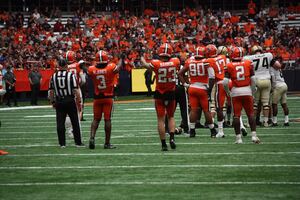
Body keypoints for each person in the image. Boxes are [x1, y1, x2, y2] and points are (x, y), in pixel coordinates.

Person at [141, 43, 180, 151]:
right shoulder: (175, 61)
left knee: (160, 119)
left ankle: (163, 144)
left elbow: (146, 66)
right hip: (171, 92)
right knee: (171, 117)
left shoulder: (156, 63)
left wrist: (142, 58)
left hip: (160, 93)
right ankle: (172, 138)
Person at [178, 46, 217, 138]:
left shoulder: (189, 62)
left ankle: (192, 130)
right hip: (202, 88)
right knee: (206, 110)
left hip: (192, 88)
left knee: (193, 110)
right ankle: (212, 130)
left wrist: (185, 84)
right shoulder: (207, 62)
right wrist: (209, 89)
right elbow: (212, 77)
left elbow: (179, 73)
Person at [223, 47, 260, 144]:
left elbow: (225, 82)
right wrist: (252, 91)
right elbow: (253, 79)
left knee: (236, 115)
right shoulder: (248, 63)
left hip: (236, 92)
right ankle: (254, 136)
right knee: (250, 114)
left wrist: (227, 92)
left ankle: (238, 138)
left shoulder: (229, 65)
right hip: (247, 90)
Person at [88, 50, 122, 149]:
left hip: (97, 97)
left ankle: (92, 137)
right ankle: (107, 143)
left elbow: (88, 70)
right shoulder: (110, 67)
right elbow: (118, 68)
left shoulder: (92, 69)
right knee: (107, 120)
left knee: (95, 119)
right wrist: (121, 60)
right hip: (108, 97)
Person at [48, 59, 84, 148]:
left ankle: (62, 143)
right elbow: (75, 90)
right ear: (66, 66)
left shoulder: (53, 76)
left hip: (59, 101)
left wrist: (52, 101)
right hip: (70, 100)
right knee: (75, 122)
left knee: (60, 123)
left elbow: (51, 91)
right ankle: (78, 142)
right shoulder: (70, 75)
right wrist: (79, 101)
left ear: (59, 66)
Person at [243, 45, 274, 127]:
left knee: (255, 104)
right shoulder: (268, 55)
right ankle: (266, 122)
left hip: (256, 80)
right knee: (266, 103)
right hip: (267, 80)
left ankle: (251, 122)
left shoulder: (248, 58)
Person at [205, 44, 228, 138]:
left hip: (220, 83)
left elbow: (212, 77)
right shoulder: (223, 57)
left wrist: (209, 90)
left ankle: (221, 131)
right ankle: (242, 127)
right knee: (233, 106)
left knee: (219, 107)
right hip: (229, 82)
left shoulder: (209, 61)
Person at [270, 59, 289, 126]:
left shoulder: (271, 68)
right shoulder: (278, 67)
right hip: (284, 85)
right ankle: (286, 121)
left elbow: (273, 79)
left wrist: (272, 88)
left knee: (274, 104)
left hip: (278, 86)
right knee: (284, 104)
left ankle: (275, 122)